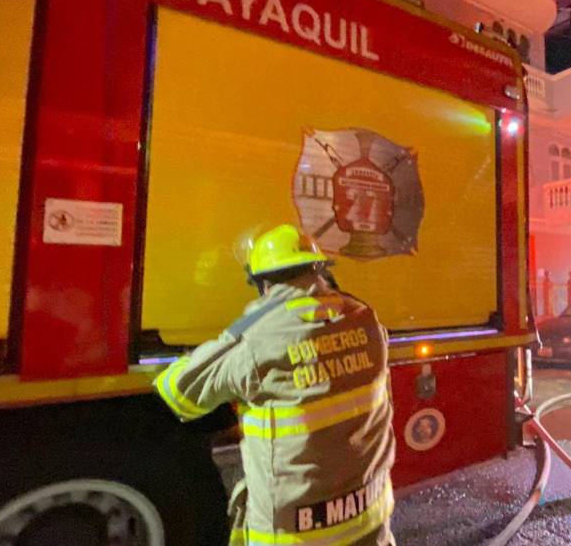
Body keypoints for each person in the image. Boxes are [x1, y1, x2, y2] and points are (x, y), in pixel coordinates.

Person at [154, 224, 396, 544]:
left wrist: (221, 341)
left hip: (295, 533)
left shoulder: (259, 335)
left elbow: (180, 393)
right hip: (369, 519)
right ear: (319, 270)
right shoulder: (366, 319)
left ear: (263, 284)